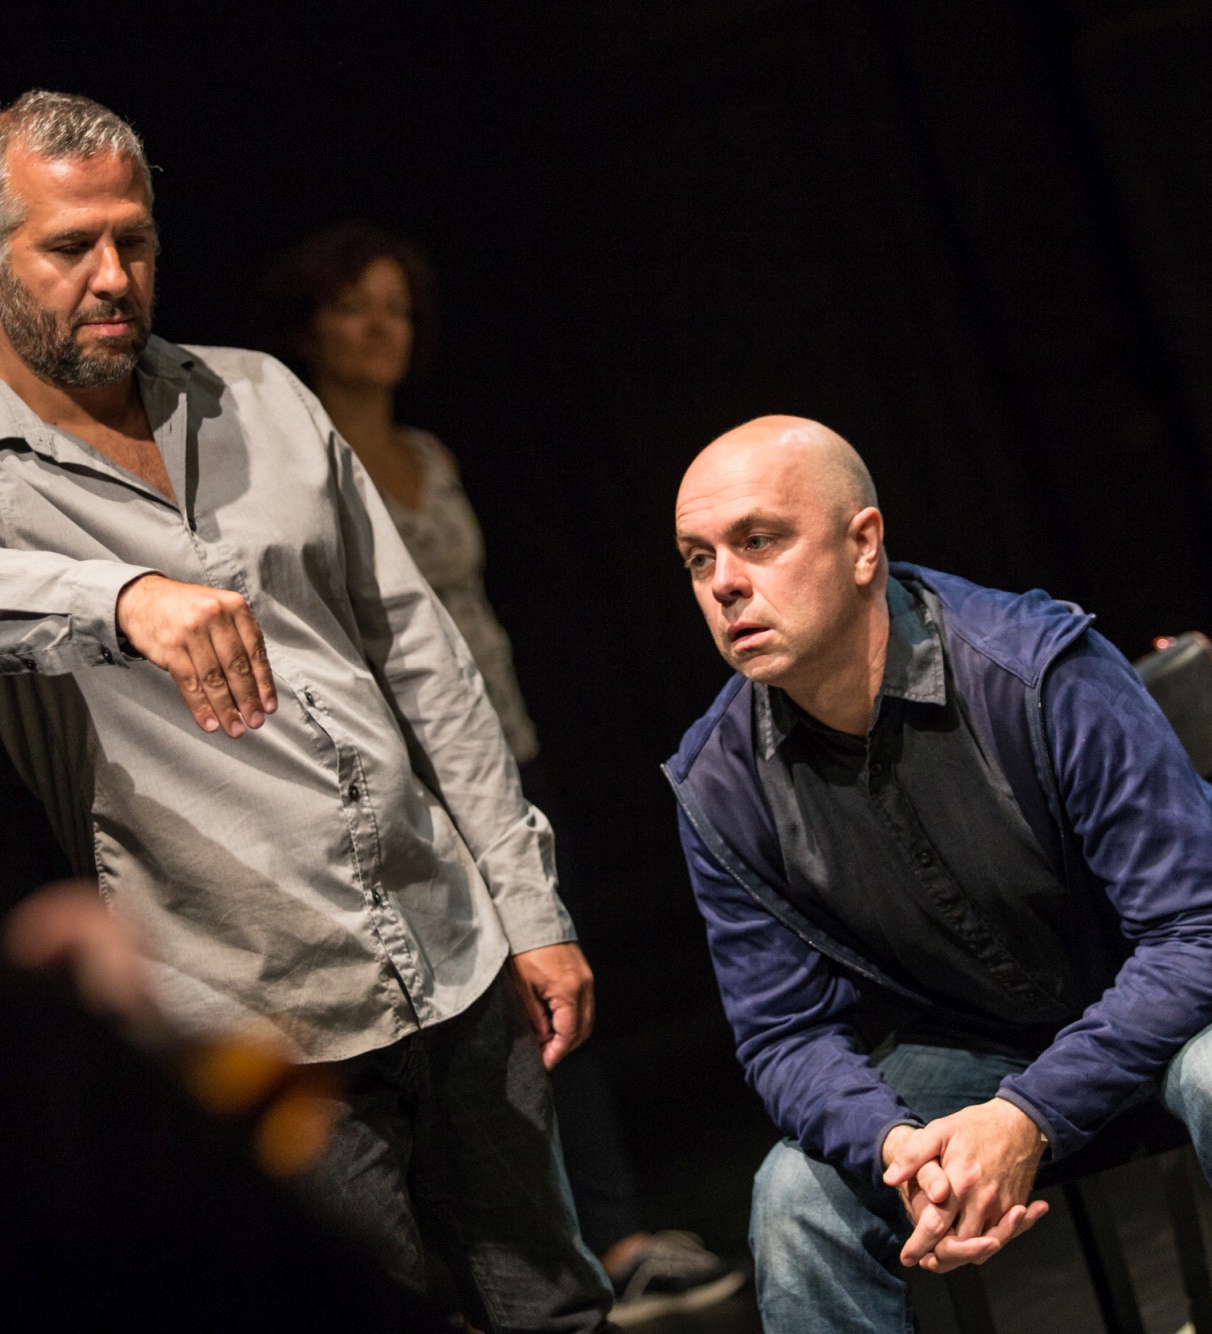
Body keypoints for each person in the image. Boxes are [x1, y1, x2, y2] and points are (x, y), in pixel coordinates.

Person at [0, 91, 612, 1331]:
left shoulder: (258, 393)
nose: (115, 276)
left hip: (453, 952)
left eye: (135, 238)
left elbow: (423, 657)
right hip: (265, 1026)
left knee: (558, 1309)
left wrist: (529, 909)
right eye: (71, 246)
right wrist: (122, 598)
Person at [663, 415, 1212, 1332]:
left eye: (759, 541)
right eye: (698, 559)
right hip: (994, 1017)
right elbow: (785, 1033)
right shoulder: (719, 781)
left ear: (863, 544)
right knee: (795, 1198)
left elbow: (1200, 933)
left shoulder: (1032, 665)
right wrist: (895, 1145)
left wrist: (1027, 1115)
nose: (725, 583)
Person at [257, 223, 745, 1322]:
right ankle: (519, 1262)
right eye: (354, 307)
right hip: (395, 779)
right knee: (465, 1026)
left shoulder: (429, 453)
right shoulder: (292, 467)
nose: (380, 328)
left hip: (499, 743)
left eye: (396, 308)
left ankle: (612, 1233)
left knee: (554, 973)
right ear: (307, 326)